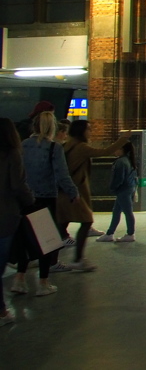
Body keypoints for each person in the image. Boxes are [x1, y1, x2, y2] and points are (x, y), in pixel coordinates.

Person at [11, 111, 78, 296]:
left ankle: (19, 279)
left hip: (26, 199)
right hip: (46, 198)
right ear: (52, 128)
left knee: (26, 238)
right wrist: (73, 192)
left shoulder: (24, 145)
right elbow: (61, 174)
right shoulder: (54, 148)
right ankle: (43, 283)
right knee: (46, 240)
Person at [54, 120, 125, 272]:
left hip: (63, 191)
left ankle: (51, 259)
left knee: (62, 222)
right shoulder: (81, 147)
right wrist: (123, 139)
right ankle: (78, 259)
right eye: (89, 129)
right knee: (86, 221)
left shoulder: (66, 145)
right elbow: (104, 152)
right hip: (74, 192)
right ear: (82, 131)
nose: (90, 132)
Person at [0, 118, 34, 326]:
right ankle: (2, 312)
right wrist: (31, 202)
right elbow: (18, 185)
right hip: (5, 216)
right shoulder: (12, 154)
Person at [96, 140, 139, 243]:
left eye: (117, 148)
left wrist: (113, 187)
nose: (114, 151)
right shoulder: (128, 160)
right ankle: (110, 233)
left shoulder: (120, 162)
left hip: (122, 190)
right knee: (117, 211)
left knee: (127, 212)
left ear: (122, 150)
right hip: (128, 188)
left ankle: (130, 233)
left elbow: (118, 178)